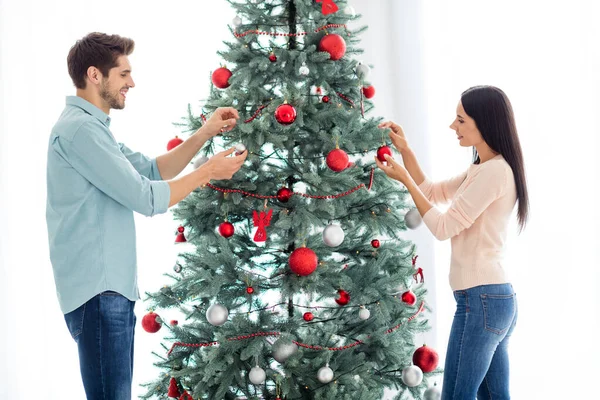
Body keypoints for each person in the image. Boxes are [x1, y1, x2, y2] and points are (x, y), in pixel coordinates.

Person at [45, 32, 247, 400]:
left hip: (109, 291)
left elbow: (153, 172)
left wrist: (205, 133)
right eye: (123, 74)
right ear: (95, 75)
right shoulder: (79, 131)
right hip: (99, 292)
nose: (131, 82)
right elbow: (144, 197)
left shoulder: (94, 131)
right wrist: (207, 173)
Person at [375, 85, 528, 400]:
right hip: (493, 300)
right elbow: (432, 192)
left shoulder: (495, 173)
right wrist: (406, 152)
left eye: (460, 120)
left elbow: (443, 227)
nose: (452, 127)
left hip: (482, 301)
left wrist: (404, 179)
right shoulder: (483, 168)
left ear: (483, 123)